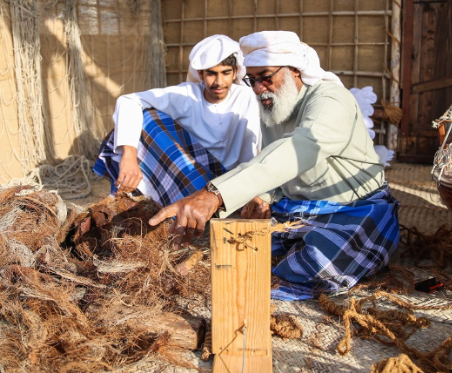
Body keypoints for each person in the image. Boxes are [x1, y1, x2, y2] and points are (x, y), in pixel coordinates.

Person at [149, 30, 400, 300]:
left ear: (294, 70)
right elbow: (271, 159)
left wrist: (215, 193)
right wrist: (264, 195)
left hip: (353, 209)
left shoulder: (331, 100)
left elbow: (297, 149)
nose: (258, 88)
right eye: (253, 79)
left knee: (318, 263)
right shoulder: (271, 104)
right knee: (234, 244)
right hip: (294, 208)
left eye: (266, 77)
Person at [94, 34, 261, 207]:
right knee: (146, 118)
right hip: (193, 177)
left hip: (235, 182)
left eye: (225, 73)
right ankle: (131, 197)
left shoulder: (249, 97)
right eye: (211, 74)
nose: (219, 82)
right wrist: (129, 157)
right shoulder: (188, 95)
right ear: (200, 73)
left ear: (235, 73)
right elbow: (128, 101)